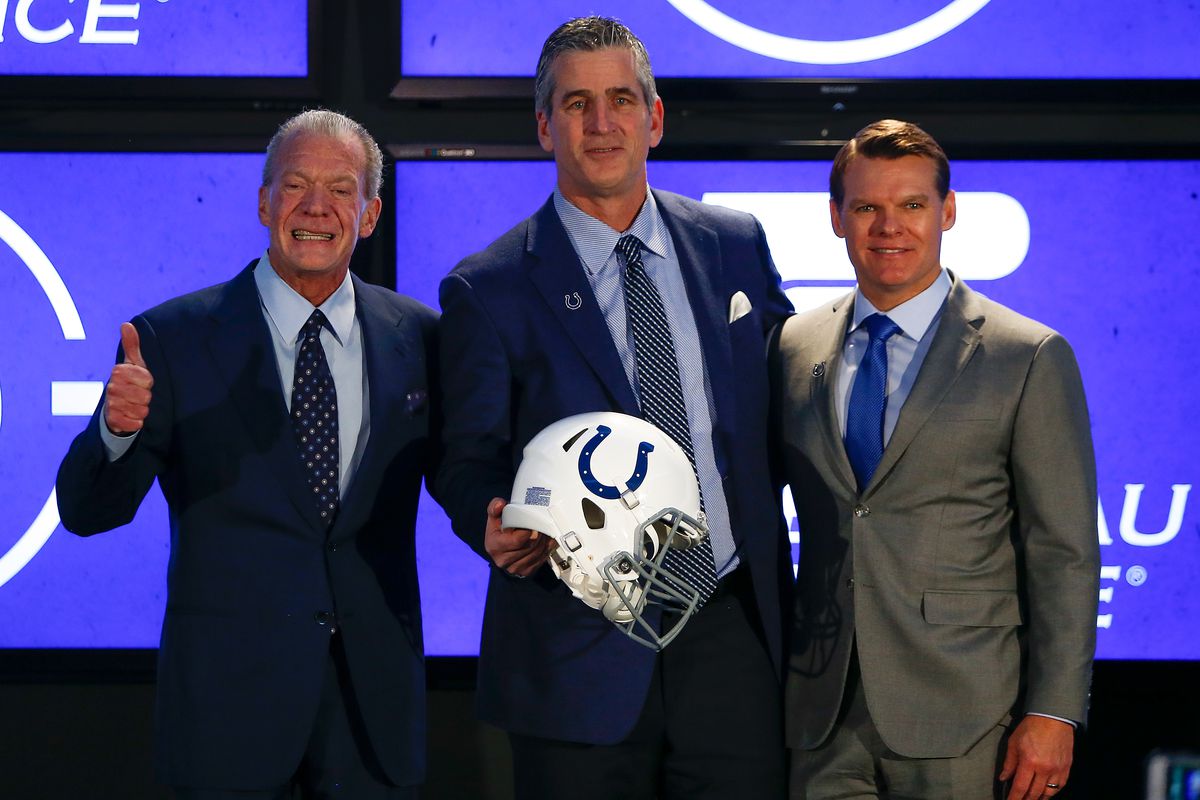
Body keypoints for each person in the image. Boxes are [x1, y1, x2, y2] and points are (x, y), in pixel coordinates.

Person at [435, 16, 794, 800]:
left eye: (622, 100)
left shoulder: (734, 245)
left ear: (654, 118)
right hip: (576, 643)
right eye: (577, 104)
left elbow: (789, 409)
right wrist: (489, 516)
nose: (603, 124)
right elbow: (464, 455)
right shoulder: (487, 287)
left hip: (731, 636)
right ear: (543, 126)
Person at [56, 109, 439, 799]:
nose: (315, 206)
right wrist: (114, 433)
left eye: (340, 188)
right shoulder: (171, 340)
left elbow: (464, 482)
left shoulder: (421, 339)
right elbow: (89, 512)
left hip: (372, 721)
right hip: (223, 724)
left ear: (371, 211)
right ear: (264, 202)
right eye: (294, 185)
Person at [770, 119, 1100, 800]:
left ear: (947, 212)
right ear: (836, 218)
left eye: (912, 205)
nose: (889, 227)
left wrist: (1054, 709)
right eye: (867, 207)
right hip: (821, 708)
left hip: (966, 711)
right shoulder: (792, 347)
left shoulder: (1027, 355)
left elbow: (1063, 549)